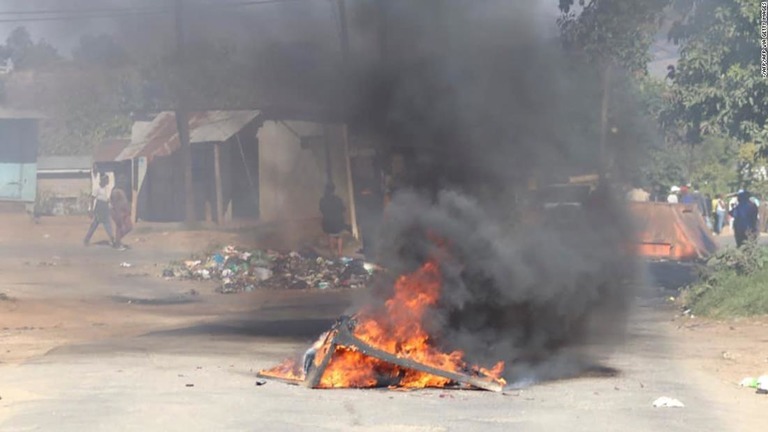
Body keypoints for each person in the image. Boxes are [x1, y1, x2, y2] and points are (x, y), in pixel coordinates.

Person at [84, 174, 116, 247]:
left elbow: (107, 199)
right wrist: (91, 209)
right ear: (103, 181)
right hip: (99, 207)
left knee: (106, 223)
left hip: (105, 207)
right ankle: (87, 239)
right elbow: (92, 199)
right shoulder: (97, 189)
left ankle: (112, 238)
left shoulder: (106, 189)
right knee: (97, 224)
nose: (107, 182)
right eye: (106, 180)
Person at [319, 183, 346, 258]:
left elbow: (322, 210)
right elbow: (343, 209)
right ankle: (340, 253)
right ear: (334, 190)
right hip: (338, 221)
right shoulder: (338, 199)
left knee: (330, 237)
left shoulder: (323, 200)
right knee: (339, 237)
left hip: (328, 222)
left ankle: (332, 254)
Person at [110, 179, 133, 251]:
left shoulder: (122, 191)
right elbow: (115, 204)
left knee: (129, 227)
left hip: (124, 211)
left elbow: (125, 202)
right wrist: (119, 215)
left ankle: (117, 240)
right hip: (118, 212)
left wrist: (128, 210)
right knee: (119, 227)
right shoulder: (116, 192)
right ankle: (117, 244)